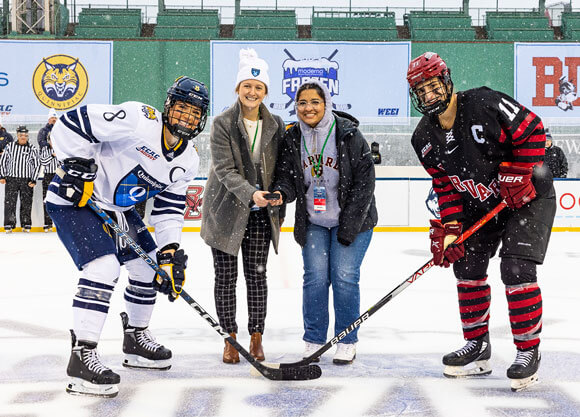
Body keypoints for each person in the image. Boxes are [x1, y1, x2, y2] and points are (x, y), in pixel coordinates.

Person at [46, 76, 209, 398]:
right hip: (76, 200)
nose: (186, 118)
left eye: (194, 113)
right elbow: (70, 123)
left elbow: (168, 210)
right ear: (167, 107)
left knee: (148, 269)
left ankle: (136, 338)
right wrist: (78, 165)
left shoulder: (188, 160)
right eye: (181, 109)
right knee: (104, 268)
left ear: (201, 119)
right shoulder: (138, 119)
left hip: (118, 210)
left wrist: (170, 251)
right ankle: (82, 354)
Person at [406, 52, 556, 392]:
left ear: (446, 80)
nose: (429, 96)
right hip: (483, 203)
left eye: (433, 86)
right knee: (467, 266)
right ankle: (478, 346)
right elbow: (446, 186)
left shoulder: (485, 103)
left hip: (528, 197)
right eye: (422, 91)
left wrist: (521, 172)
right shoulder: (423, 139)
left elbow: (533, 129)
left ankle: (527, 350)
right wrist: (452, 229)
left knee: (516, 268)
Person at [270, 80, 377, 365]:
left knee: (344, 278)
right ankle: (314, 339)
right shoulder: (292, 137)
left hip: (353, 221)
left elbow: (365, 183)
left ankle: (347, 339)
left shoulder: (348, 134)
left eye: (315, 102)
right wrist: (281, 192)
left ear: (326, 103)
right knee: (315, 279)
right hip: (314, 221)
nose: (308, 108)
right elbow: (287, 177)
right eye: (302, 103)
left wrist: (349, 227)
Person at [200, 48, 285, 364]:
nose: (252, 92)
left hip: (261, 216)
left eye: (258, 87)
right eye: (247, 86)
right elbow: (224, 169)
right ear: (238, 89)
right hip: (224, 211)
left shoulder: (276, 123)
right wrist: (252, 193)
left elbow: (283, 167)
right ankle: (230, 339)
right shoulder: (222, 123)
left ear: (265, 92)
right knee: (225, 277)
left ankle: (256, 336)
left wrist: (277, 194)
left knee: (256, 276)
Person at [0, 125, 39, 233]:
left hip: (26, 180)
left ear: (27, 136)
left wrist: (34, 179)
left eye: (25, 135)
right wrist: (2, 175)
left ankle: (26, 224)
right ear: (17, 136)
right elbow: (3, 161)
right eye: (21, 135)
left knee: (26, 203)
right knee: (9, 203)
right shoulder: (10, 146)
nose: (23, 137)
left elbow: (37, 164)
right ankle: (8, 224)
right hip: (11, 179)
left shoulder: (32, 148)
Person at [39, 130, 59, 232]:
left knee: (59, 200)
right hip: (47, 176)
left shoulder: (61, 149)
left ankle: (59, 223)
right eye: (51, 140)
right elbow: (43, 161)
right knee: (46, 200)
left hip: (59, 176)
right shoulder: (45, 150)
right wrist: (52, 155)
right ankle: (47, 223)